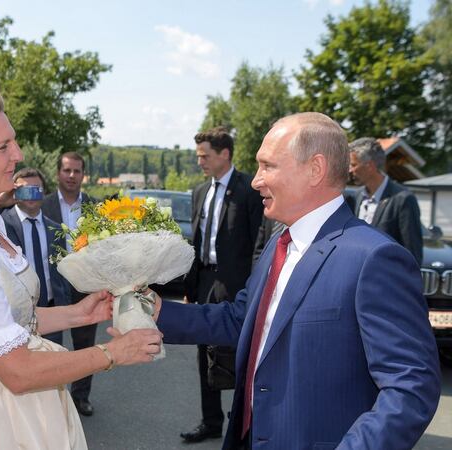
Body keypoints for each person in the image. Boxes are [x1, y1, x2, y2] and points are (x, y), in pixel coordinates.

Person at [156, 112, 440, 449]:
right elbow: (240, 319)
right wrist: (154, 311)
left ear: (315, 169)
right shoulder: (279, 243)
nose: (255, 180)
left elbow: (410, 388)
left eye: (268, 166)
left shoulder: (374, 259)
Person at [0, 85, 162, 449]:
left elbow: (3, 319)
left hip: (4, 396)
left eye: (14, 142)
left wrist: (76, 314)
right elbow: (18, 372)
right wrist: (113, 354)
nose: (18, 154)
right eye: (3, 147)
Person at [182, 127, 262, 443]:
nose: (200, 161)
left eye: (205, 155)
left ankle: (244, 423)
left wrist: (255, 288)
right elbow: (197, 241)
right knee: (205, 352)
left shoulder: (249, 191)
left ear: (224, 154)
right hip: (205, 281)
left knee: (240, 352)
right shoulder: (200, 192)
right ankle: (211, 421)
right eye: (198, 155)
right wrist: (191, 287)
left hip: (237, 284)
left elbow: (259, 241)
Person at [41, 151, 99, 416]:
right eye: (67, 170)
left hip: (86, 283)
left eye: (77, 171)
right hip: (54, 282)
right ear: (58, 174)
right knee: (50, 343)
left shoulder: (95, 207)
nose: (72, 176)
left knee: (85, 344)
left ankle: (80, 398)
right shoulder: (43, 205)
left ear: (83, 175)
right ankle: (50, 399)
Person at [0, 167, 71, 344]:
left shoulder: (55, 229)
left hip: (51, 311)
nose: (31, 195)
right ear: (14, 193)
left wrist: (64, 306)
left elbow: (62, 270)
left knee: (54, 366)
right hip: (13, 315)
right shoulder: (0, 224)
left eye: (36, 190)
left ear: (44, 193)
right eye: (25, 190)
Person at [349, 137, 423, 264]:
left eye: (354, 165)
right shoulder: (356, 197)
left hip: (386, 281)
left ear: (370, 166)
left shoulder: (403, 199)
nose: (350, 170)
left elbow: (412, 254)